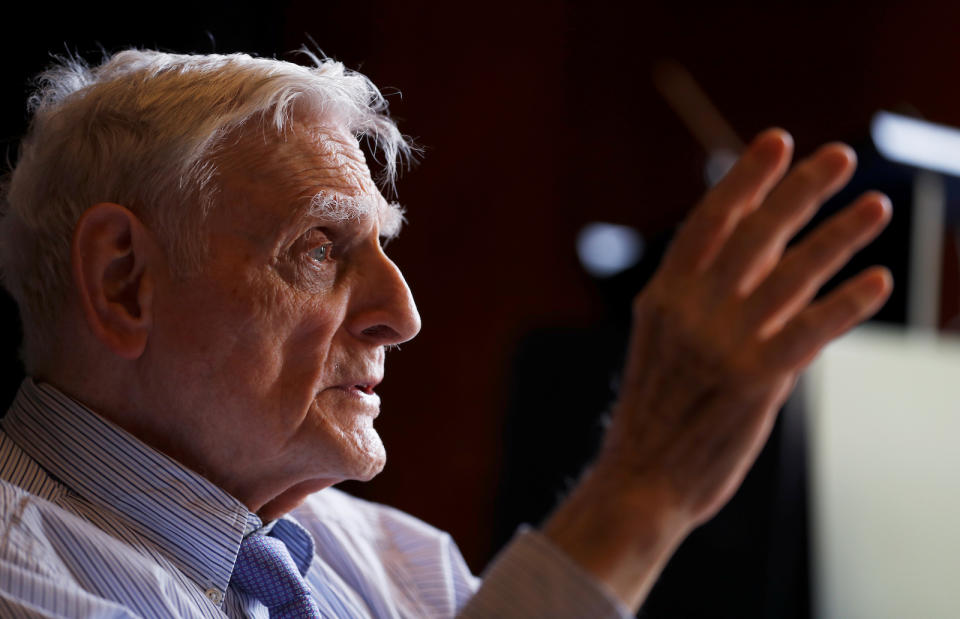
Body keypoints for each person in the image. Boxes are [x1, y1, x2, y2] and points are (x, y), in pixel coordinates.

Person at [0, 49, 891, 618]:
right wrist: (641, 495)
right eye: (320, 247)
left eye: (381, 246)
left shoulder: (401, 564)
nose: (403, 312)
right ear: (124, 280)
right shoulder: (22, 572)